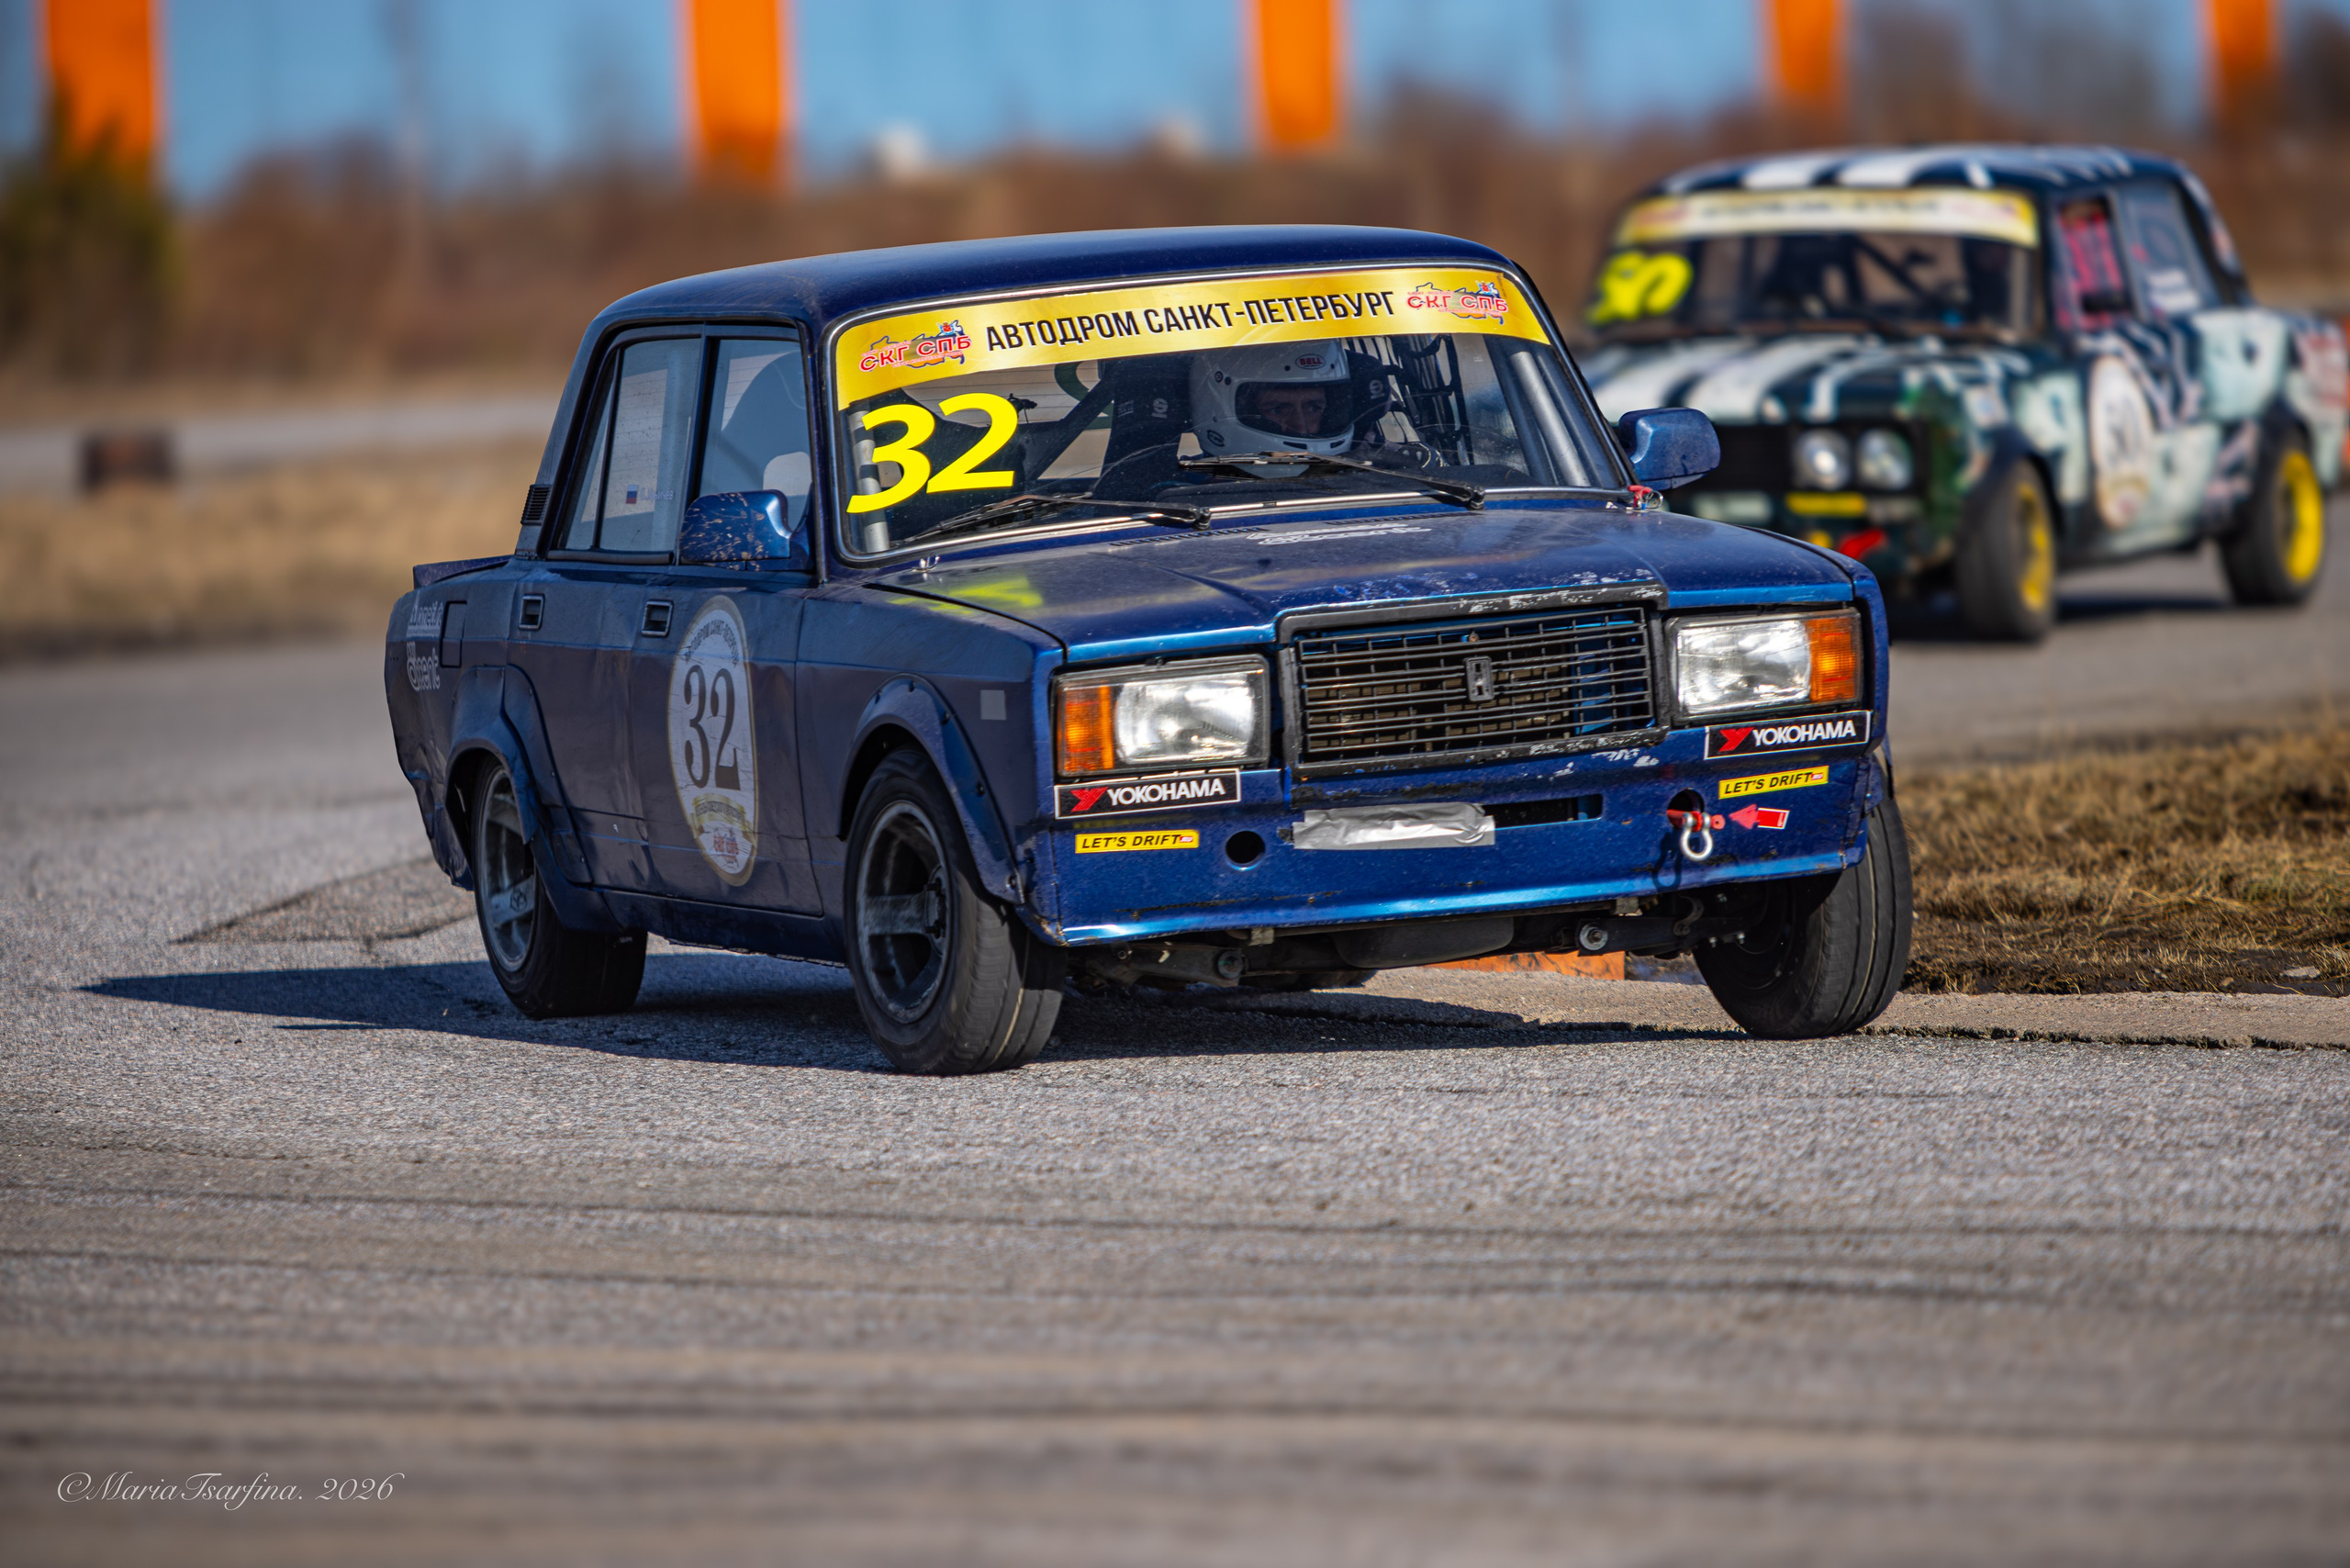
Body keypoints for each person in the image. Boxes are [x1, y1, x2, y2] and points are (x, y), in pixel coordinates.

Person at [1187, 342, 1357, 473]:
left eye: (1313, 408)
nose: (1301, 427)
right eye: (1277, 409)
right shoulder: (1177, 502)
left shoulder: (1368, 479)